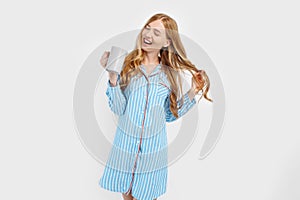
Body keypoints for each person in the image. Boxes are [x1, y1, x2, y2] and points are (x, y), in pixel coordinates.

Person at [99, 13, 212, 200]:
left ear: (167, 42)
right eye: (147, 28)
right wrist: (112, 76)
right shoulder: (127, 65)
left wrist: (193, 91)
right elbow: (119, 108)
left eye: (156, 32)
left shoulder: (169, 75)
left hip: (152, 154)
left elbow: (168, 115)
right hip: (126, 150)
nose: (148, 34)